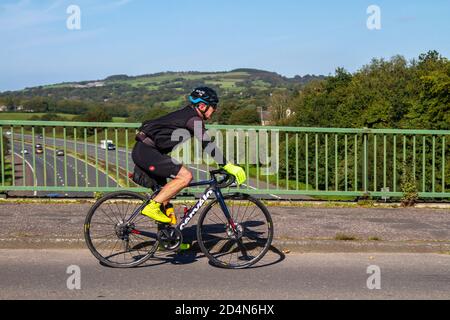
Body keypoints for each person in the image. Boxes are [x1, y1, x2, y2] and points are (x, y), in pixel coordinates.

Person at [132, 87, 247, 224]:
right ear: (202, 106)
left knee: (165, 196)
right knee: (186, 176)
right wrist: (227, 165)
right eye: (213, 106)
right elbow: (207, 144)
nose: (215, 110)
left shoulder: (187, 114)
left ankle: (170, 239)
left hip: (147, 150)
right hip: (147, 152)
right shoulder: (193, 119)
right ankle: (151, 207)